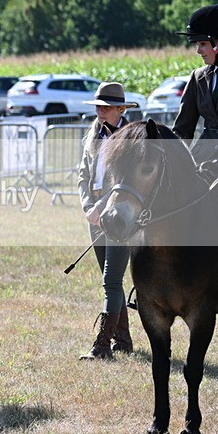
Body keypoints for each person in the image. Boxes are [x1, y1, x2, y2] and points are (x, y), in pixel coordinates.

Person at [76, 81, 137, 360]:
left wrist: (101, 207)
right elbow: (83, 176)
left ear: (121, 109)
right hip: (95, 214)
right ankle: (122, 340)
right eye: (99, 106)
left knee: (111, 280)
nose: (101, 112)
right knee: (109, 279)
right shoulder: (92, 135)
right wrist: (89, 206)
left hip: (117, 213)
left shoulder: (131, 138)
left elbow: (124, 183)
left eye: (107, 107)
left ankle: (102, 345)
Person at [172, 4, 218, 173]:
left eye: (202, 43)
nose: (198, 50)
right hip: (202, 162)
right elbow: (182, 129)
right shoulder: (198, 77)